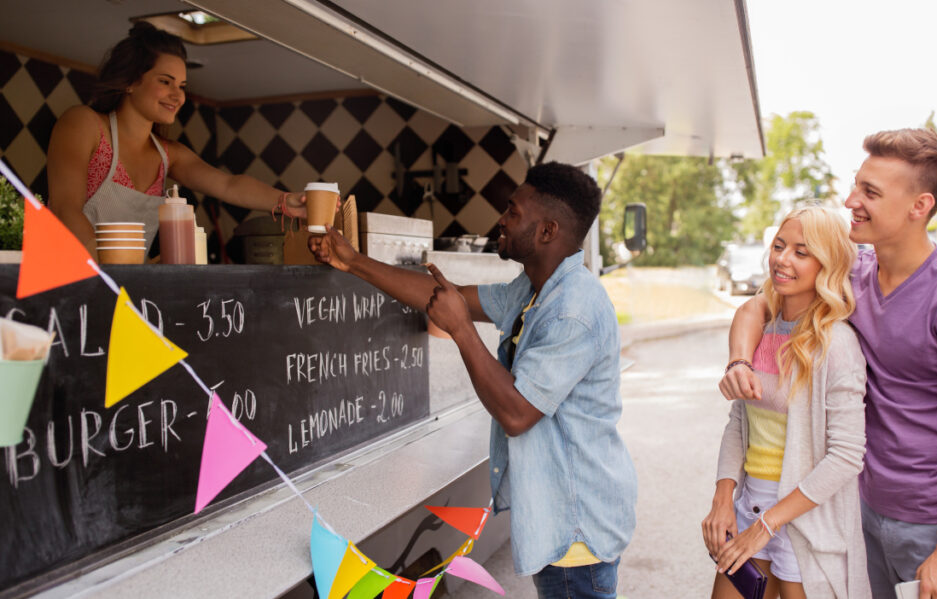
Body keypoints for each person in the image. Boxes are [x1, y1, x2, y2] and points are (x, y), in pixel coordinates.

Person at [308, 162, 637, 599]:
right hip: (564, 520)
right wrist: (352, 262)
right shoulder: (535, 289)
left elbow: (518, 413)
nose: (501, 219)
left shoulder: (572, 310)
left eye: (513, 212)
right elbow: (445, 298)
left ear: (546, 231)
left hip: (576, 530)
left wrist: (462, 330)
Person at [721, 129, 937, 599]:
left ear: (919, 206)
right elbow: (760, 305)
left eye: (870, 192)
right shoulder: (853, 274)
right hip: (863, 517)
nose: (851, 200)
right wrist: (739, 361)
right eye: (856, 184)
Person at [703, 206, 869, 598]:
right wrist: (723, 498)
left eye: (801, 251)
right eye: (779, 246)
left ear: (826, 264)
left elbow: (846, 455)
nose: (782, 259)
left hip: (804, 520)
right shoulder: (764, 329)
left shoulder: (837, 343)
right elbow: (739, 423)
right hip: (752, 508)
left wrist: (770, 525)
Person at [47, 22, 310, 258]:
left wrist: (288, 203)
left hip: (123, 290)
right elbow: (64, 210)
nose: (178, 96)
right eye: (165, 82)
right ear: (130, 81)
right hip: (65, 283)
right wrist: (119, 272)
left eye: (182, 86)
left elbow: (229, 185)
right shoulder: (84, 123)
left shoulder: (168, 155)